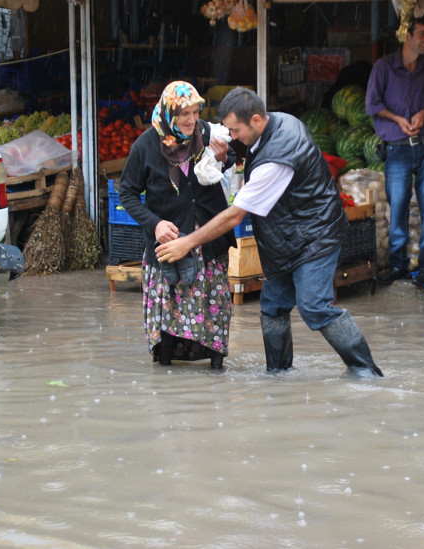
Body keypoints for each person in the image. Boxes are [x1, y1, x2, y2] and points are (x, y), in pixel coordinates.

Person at [156, 87, 383, 378]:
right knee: (273, 304)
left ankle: (366, 371)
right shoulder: (277, 121)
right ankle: (278, 374)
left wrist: (187, 243)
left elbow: (235, 215)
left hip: (316, 235)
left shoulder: (278, 154)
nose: (232, 137)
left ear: (255, 120)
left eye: (235, 130)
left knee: (314, 307)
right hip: (287, 235)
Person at [118, 81, 236, 370]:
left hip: (208, 238)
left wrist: (223, 157)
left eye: (196, 112)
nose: (191, 120)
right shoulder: (146, 145)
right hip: (168, 243)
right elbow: (127, 193)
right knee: (169, 314)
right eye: (184, 113)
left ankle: (216, 373)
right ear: (169, 112)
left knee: (214, 310)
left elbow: (230, 159)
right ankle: (167, 376)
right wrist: (155, 224)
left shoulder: (205, 133)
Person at [366, 14, 424, 287]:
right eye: (423, 34)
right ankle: (397, 265)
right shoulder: (384, 67)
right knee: (398, 205)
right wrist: (398, 119)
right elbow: (372, 104)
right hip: (397, 149)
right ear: (408, 36)